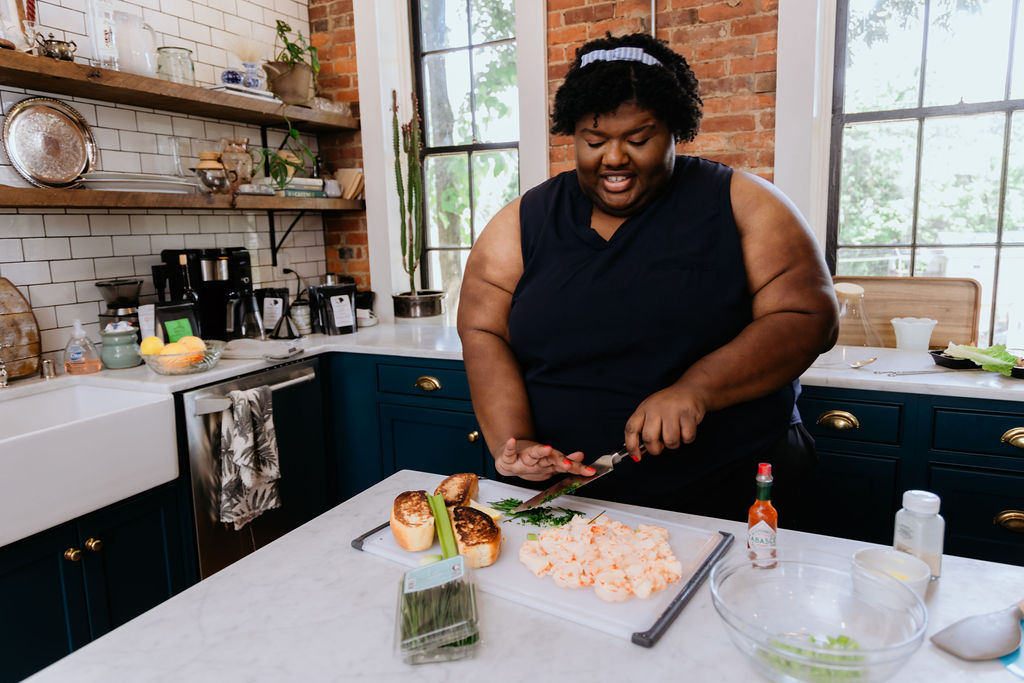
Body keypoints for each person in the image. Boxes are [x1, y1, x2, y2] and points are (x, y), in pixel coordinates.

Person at [456, 33, 838, 520]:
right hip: (575, 500)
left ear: (675, 131)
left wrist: (697, 389)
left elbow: (808, 316)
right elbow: (483, 330)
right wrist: (515, 440)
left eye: (638, 139)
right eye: (594, 141)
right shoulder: (521, 221)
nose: (614, 157)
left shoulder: (745, 203)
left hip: (733, 490)